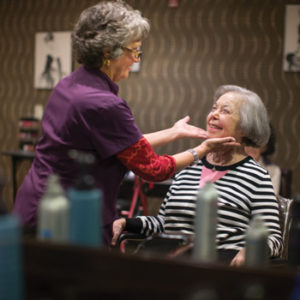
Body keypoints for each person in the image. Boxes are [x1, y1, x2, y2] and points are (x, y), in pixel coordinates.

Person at [13, 1, 238, 245]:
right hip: (68, 218)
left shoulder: (68, 86)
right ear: (109, 51)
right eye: (134, 50)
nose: (136, 59)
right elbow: (153, 169)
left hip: (36, 204)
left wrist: (173, 133)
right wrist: (200, 151)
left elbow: (120, 146)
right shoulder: (103, 104)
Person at [112, 85, 283, 266]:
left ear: (246, 128)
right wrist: (125, 223)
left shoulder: (256, 176)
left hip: (220, 267)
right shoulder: (189, 167)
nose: (214, 114)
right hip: (171, 261)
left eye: (225, 111)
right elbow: (164, 223)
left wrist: (250, 249)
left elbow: (274, 239)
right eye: (213, 108)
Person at [245, 125, 281, 196]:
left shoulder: (273, 171)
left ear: (264, 147)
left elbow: (271, 198)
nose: (251, 148)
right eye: (247, 143)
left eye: (256, 143)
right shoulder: (231, 167)